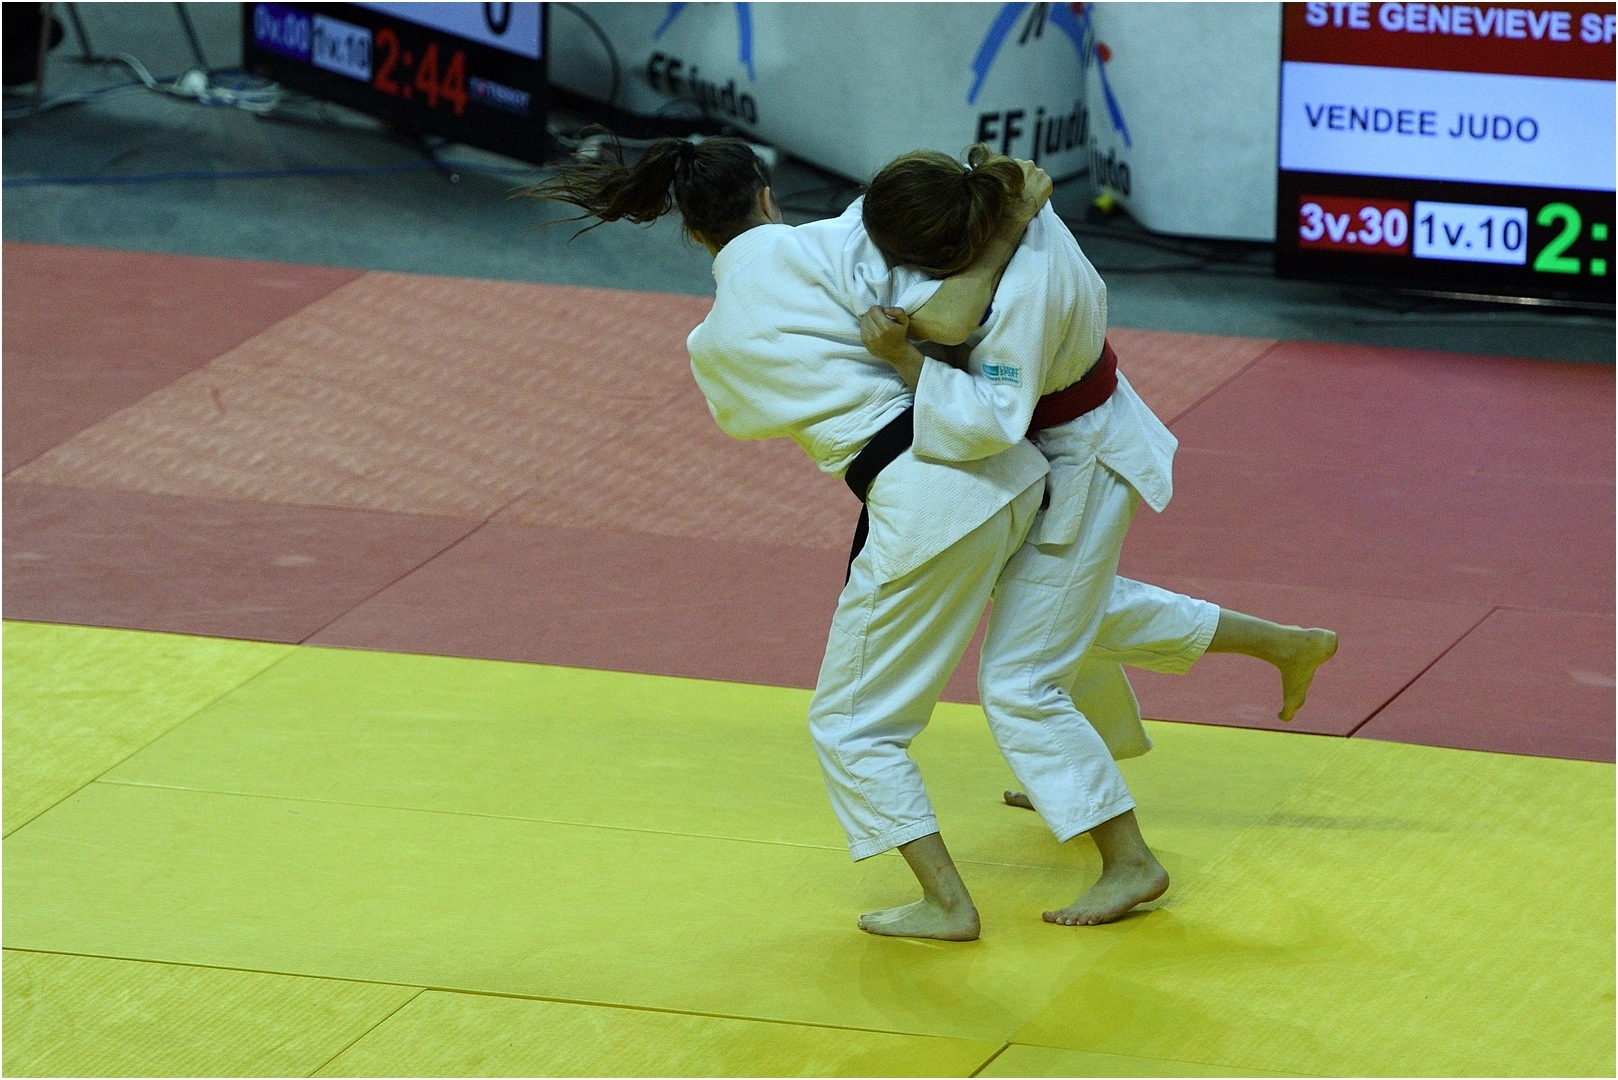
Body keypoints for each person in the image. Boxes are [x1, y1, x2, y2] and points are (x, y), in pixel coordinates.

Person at [525, 136, 1333, 939]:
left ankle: (957, 899)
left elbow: (757, 419)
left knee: (868, 719)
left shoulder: (716, 343)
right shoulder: (851, 236)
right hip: (1017, 474)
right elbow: (941, 307)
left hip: (966, 478)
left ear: (694, 231)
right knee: (1061, 610)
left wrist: (885, 359)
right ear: (769, 195)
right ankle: (1241, 668)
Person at [857, 145, 1338, 926]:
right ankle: (1280, 647)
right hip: (1073, 440)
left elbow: (988, 419)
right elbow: (957, 294)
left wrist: (907, 364)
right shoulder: (1003, 198)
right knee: (1069, 612)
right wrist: (1000, 235)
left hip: (1082, 459)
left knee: (1020, 679)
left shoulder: (1019, 294)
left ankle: (1130, 860)